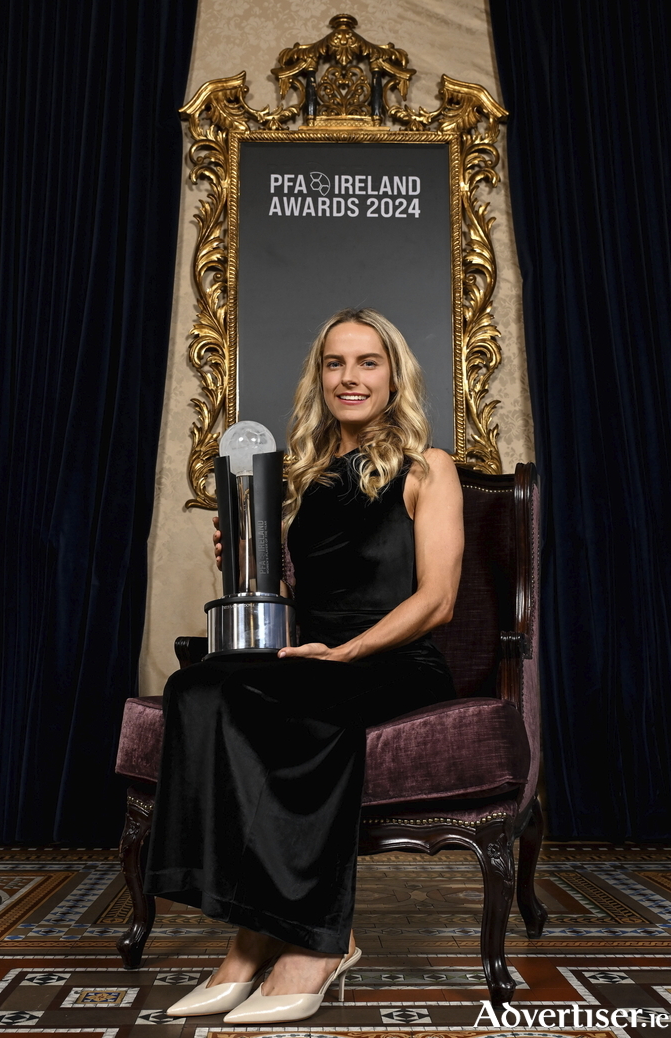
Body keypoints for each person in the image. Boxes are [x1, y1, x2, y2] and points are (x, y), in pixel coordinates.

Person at [144, 307, 464, 1024]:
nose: (350, 377)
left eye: (368, 362)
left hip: (396, 660)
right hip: (313, 654)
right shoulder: (306, 479)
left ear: (394, 376)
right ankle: (256, 928)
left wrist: (349, 651)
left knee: (299, 707)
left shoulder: (428, 468)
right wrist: (246, 563)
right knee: (196, 688)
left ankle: (315, 941)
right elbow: (298, 602)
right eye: (334, 363)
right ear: (320, 377)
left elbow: (439, 601)